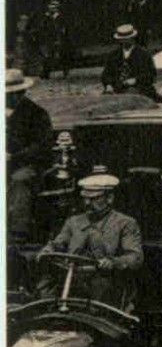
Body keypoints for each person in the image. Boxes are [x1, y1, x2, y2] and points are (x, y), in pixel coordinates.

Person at [44, 168, 142, 308]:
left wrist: (113, 262)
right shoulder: (74, 221)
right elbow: (59, 243)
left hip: (105, 280)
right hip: (71, 278)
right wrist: (49, 249)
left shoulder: (125, 223)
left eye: (94, 198)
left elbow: (135, 257)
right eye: (85, 198)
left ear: (109, 198)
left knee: (102, 293)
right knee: (44, 290)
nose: (87, 203)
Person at [6, 67, 54, 241]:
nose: (11, 97)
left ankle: (18, 231)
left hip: (28, 164)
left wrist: (14, 157)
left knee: (20, 180)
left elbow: (42, 146)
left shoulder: (37, 113)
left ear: (23, 91)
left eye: (16, 93)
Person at [99, 24, 157, 99]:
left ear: (132, 38)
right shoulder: (113, 55)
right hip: (117, 89)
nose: (124, 41)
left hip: (140, 89)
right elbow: (106, 74)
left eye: (127, 39)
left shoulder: (144, 55)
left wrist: (135, 80)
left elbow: (151, 75)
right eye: (122, 39)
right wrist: (108, 85)